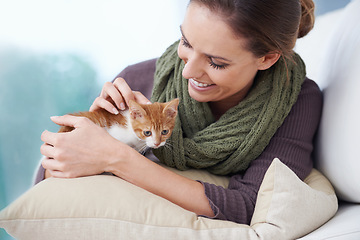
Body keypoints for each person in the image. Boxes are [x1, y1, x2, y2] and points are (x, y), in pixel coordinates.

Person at [37, 0, 321, 224]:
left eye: (216, 63)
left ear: (267, 58)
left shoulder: (295, 99)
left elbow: (251, 206)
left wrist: (117, 158)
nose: (188, 71)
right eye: (186, 43)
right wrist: (97, 132)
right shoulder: (135, 82)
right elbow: (44, 190)